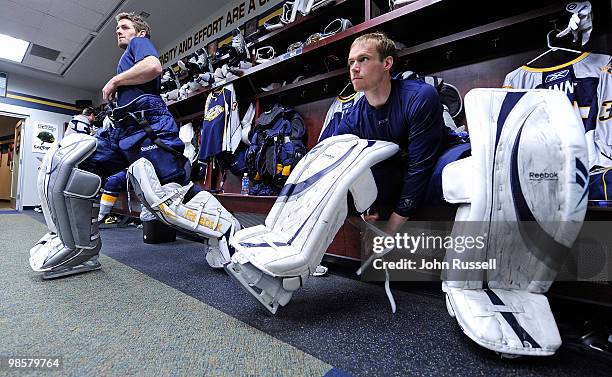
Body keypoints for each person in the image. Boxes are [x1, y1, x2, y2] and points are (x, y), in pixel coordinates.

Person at [30, 12, 190, 278]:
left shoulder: (139, 44)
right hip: (125, 129)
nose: (119, 31)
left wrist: (115, 81)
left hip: (148, 125)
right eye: (117, 28)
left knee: (170, 196)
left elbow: (153, 67)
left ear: (140, 32)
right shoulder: (126, 60)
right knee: (79, 167)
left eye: (124, 27)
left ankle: (226, 237)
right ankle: (82, 246)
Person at [332, 32, 469, 235]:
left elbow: (420, 167)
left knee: (445, 172)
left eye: (363, 59)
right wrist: (360, 219)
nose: (354, 68)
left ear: (387, 63)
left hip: (437, 156)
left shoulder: (419, 95)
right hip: (399, 167)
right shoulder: (353, 116)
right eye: (351, 62)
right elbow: (333, 166)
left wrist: (390, 229)